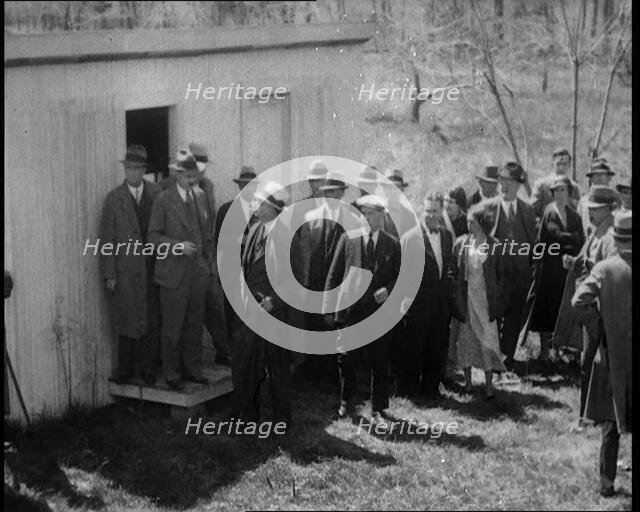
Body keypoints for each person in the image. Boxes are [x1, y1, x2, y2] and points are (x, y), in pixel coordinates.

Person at [323, 195, 401, 425]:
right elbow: (333, 274)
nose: (367, 218)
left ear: (382, 216)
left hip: (378, 311)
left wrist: (388, 289)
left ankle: (378, 406)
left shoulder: (392, 243)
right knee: (347, 358)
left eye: (372, 214)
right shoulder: (348, 239)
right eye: (363, 214)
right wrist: (329, 308)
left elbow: (401, 277)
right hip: (353, 311)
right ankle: (346, 402)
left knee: (379, 359)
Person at [571, 211, 632, 497]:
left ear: (616, 239)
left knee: (610, 420)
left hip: (612, 355)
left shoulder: (605, 268)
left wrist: (600, 328)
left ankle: (607, 481)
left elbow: (579, 300)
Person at [148, 149, 212, 391]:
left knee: (194, 324)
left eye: (194, 176)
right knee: (173, 326)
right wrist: (177, 247)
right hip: (173, 274)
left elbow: (206, 233)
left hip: (196, 274)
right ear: (176, 174)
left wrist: (206, 263)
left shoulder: (200, 196)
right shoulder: (163, 200)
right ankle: (172, 374)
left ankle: (192, 370)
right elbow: (152, 238)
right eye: (186, 176)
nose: (191, 180)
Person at [231, 181, 292, 424]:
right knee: (248, 364)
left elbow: (297, 277)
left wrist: (274, 301)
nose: (254, 205)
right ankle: (248, 416)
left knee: (276, 367)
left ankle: (282, 420)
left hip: (273, 312)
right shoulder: (255, 228)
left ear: (272, 207)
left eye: (259, 202)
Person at [100, 145, 162, 385]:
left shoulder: (156, 193)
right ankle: (125, 370)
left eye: (137, 168)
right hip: (126, 270)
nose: (132, 173)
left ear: (144, 170)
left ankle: (148, 368)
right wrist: (109, 274)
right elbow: (106, 240)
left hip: (152, 268)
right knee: (126, 318)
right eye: (129, 168)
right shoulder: (114, 199)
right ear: (124, 169)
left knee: (151, 317)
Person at [563, 186, 618, 429]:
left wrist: (586, 262)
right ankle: (589, 415)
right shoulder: (595, 232)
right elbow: (585, 264)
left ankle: (593, 417)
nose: (592, 213)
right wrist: (574, 262)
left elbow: (608, 270)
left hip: (600, 310)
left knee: (595, 365)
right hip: (589, 309)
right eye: (590, 209)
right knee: (589, 366)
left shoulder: (611, 236)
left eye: (597, 210)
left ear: (609, 209)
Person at [298, 170, 360, 380]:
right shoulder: (310, 217)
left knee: (336, 325)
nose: (332, 196)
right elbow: (305, 254)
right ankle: (313, 373)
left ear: (342, 194)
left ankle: (334, 375)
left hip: (339, 281)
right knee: (314, 325)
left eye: (336, 192)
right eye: (328, 192)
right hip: (315, 282)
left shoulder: (352, 219)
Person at [397, 193, 453, 399]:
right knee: (414, 346)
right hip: (418, 302)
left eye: (435, 211)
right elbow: (401, 273)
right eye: (427, 210)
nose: (430, 215)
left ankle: (430, 390)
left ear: (441, 212)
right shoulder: (411, 236)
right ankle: (407, 391)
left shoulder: (447, 236)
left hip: (440, 303)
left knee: (436, 346)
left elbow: (447, 267)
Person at [450, 202, 506, 398]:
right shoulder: (462, 243)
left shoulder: (494, 245)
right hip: (467, 300)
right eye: (467, 221)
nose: (468, 225)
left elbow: (501, 275)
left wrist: (496, 299)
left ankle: (489, 384)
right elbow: (455, 272)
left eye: (472, 221)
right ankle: (468, 383)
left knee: (486, 342)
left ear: (481, 223)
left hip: (485, 302)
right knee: (465, 341)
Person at [529, 176, 585, 361]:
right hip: (548, 267)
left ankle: (558, 349)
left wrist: (572, 251)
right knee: (546, 307)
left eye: (563, 190)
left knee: (562, 307)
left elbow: (581, 241)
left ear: (570, 193)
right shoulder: (549, 211)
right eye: (557, 191)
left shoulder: (575, 216)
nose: (560, 194)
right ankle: (544, 352)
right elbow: (555, 233)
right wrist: (572, 238)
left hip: (566, 269)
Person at [490, 162, 536, 370]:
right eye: (503, 180)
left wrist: (530, 266)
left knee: (514, 317)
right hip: (498, 273)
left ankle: (506, 358)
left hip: (520, 274)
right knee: (495, 314)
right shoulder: (491, 208)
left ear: (518, 185)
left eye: (510, 182)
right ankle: (493, 357)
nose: (505, 185)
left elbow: (533, 242)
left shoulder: (526, 210)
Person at [214, 166, 258, 345]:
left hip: (255, 272)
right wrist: (242, 239)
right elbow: (220, 242)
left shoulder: (263, 210)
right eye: (244, 185)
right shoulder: (226, 210)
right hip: (233, 270)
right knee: (232, 312)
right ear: (239, 187)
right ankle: (233, 351)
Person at [530, 148, 580, 218]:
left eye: (564, 164)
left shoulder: (574, 187)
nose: (561, 168)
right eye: (558, 164)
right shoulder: (541, 185)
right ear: (552, 164)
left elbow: (577, 213)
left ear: (569, 166)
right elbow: (532, 212)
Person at [577, 160, 616, 235]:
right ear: (591, 179)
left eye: (602, 175)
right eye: (595, 175)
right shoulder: (583, 202)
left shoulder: (616, 201)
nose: (599, 178)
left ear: (609, 178)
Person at [381, 169, 418, 241]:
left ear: (402, 189)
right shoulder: (377, 213)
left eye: (396, 187)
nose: (392, 191)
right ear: (384, 189)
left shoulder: (410, 216)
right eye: (389, 187)